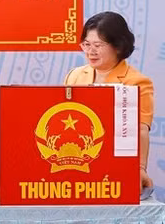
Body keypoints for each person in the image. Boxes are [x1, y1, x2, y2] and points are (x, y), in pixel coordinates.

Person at [64, 11, 154, 191]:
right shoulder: (74, 76)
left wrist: (140, 168)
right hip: (77, 160)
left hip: (114, 162)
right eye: (86, 44)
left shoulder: (136, 82)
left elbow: (141, 130)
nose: (90, 51)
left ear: (118, 46)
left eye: (98, 45)